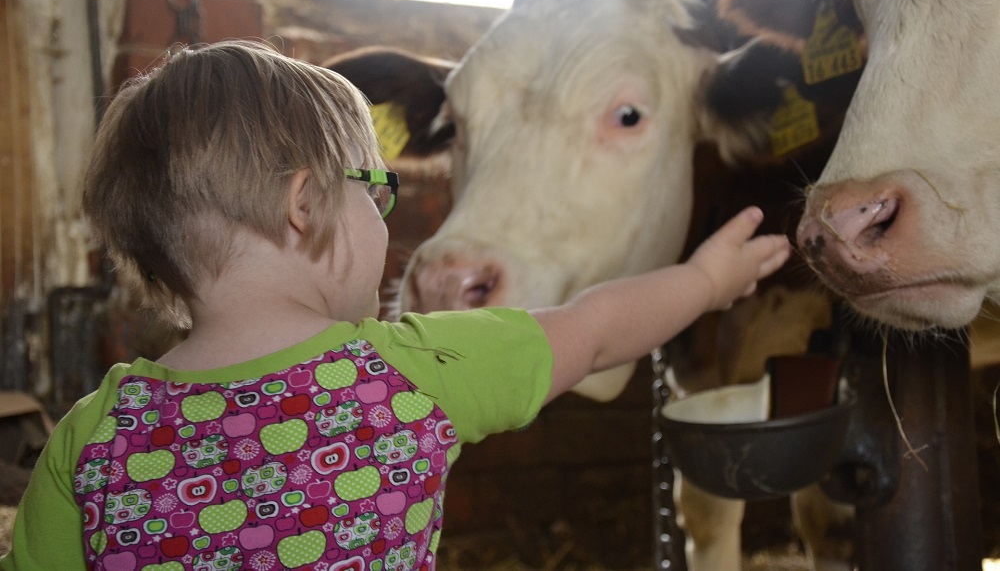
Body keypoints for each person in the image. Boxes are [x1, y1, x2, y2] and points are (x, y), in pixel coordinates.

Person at [0, 40, 790, 571]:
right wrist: (708, 282)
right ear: (305, 206)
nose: (383, 217)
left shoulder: (94, 437)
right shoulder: (409, 373)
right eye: (376, 190)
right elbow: (594, 331)